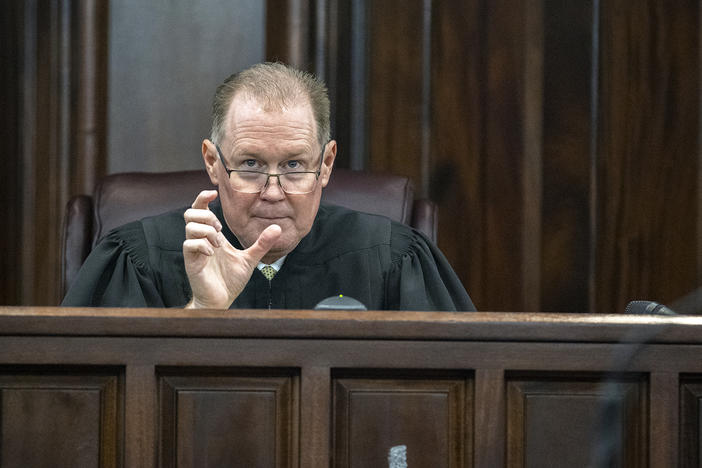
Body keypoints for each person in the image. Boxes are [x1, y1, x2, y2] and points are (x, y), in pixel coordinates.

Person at [62, 62, 476, 311]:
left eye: (294, 165)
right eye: (250, 164)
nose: (273, 191)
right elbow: (88, 406)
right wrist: (202, 311)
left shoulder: (394, 257)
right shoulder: (137, 259)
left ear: (327, 163)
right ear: (213, 162)